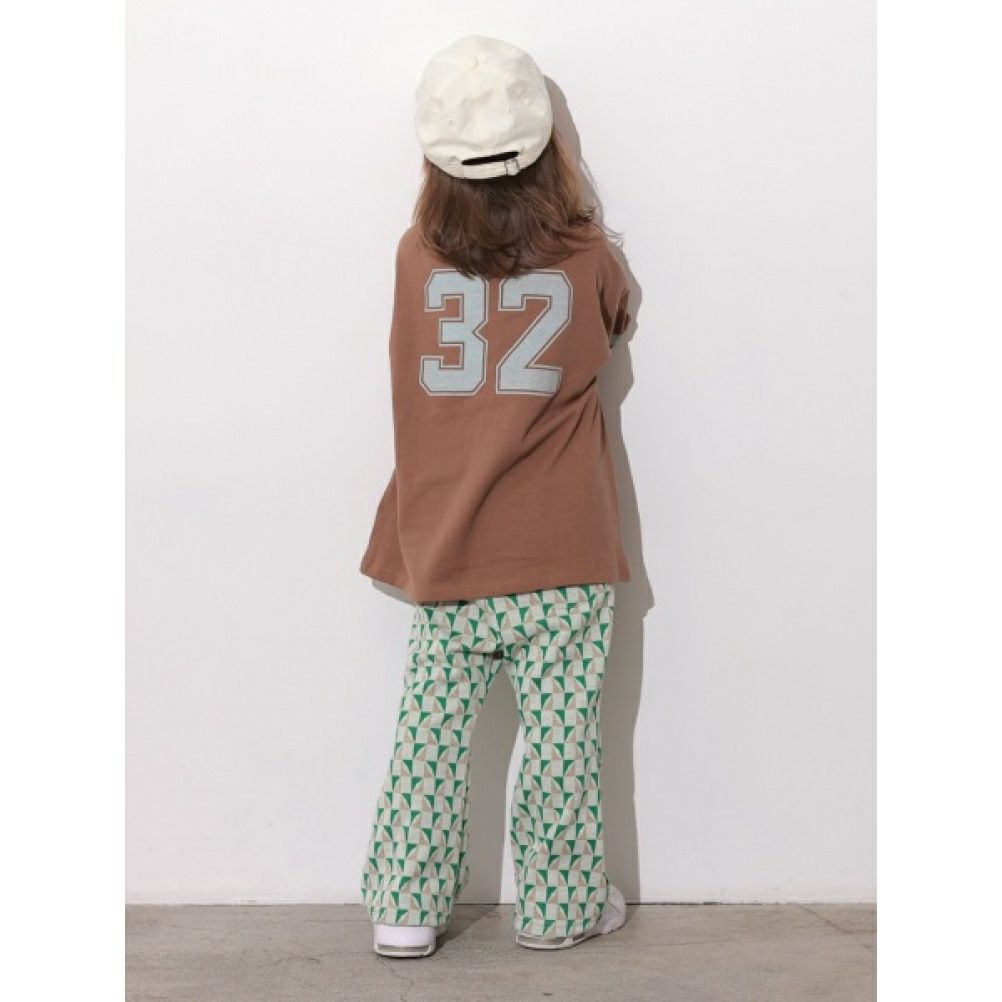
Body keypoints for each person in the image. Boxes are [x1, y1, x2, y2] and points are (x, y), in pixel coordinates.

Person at [358, 35, 633, 959]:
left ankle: (405, 908)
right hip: (564, 548)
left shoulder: (414, 256)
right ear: (549, 150)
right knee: (562, 741)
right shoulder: (588, 255)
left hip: (449, 546)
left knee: (430, 739)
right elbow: (614, 325)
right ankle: (558, 909)